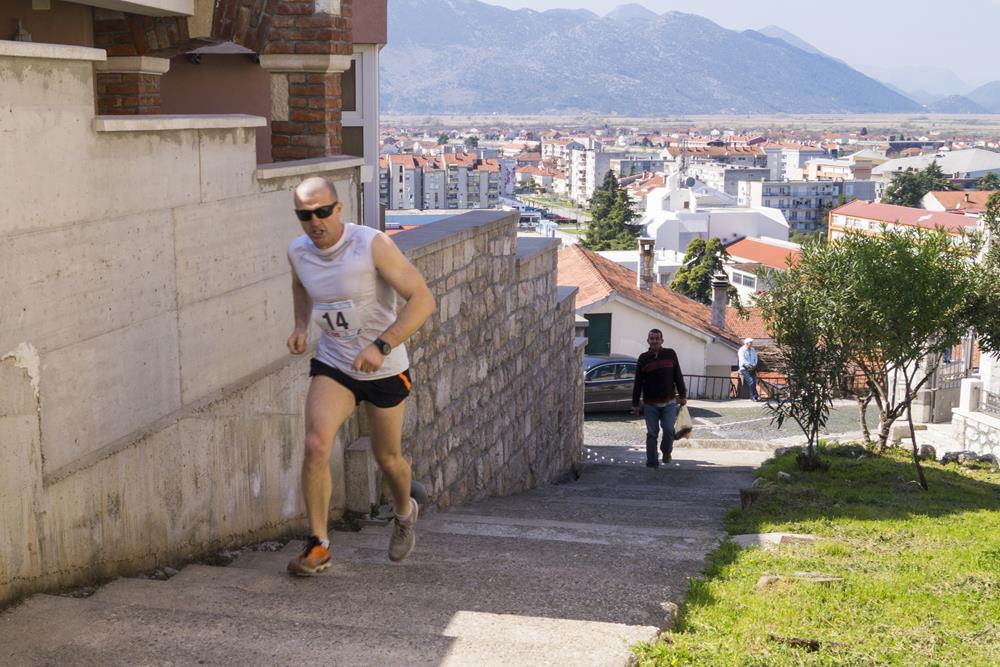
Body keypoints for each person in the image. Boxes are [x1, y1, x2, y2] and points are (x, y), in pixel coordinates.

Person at [284, 177, 436, 576]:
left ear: (338, 209)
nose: (314, 222)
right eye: (304, 215)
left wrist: (382, 345)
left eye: (322, 212)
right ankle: (318, 545)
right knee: (316, 444)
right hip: (335, 363)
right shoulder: (298, 251)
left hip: (384, 368)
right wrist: (300, 325)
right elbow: (300, 285)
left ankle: (404, 511)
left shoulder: (371, 244)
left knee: (388, 459)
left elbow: (423, 300)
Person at [631, 329, 687, 468]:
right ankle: (652, 461)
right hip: (650, 404)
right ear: (648, 341)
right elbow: (638, 382)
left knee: (668, 430)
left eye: (657, 338)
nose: (654, 341)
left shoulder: (670, 354)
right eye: (652, 338)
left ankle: (666, 452)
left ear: (662, 340)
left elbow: (678, 375)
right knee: (652, 433)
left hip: (669, 402)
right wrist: (635, 404)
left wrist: (683, 395)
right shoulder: (643, 358)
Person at [738, 337, 760, 401]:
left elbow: (755, 358)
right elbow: (742, 359)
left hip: (752, 367)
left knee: (753, 381)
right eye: (750, 342)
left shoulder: (753, 350)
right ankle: (754, 396)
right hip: (744, 368)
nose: (751, 344)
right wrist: (748, 365)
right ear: (746, 343)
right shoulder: (742, 350)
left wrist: (754, 364)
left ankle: (754, 396)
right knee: (751, 381)